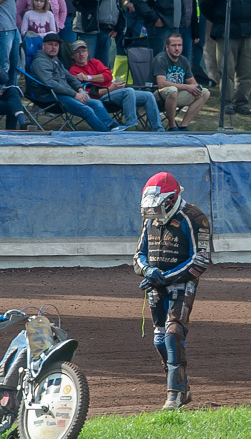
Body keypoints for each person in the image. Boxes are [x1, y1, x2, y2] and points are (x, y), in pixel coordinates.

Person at [133, 171, 210, 410]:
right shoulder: (150, 221)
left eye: (158, 208)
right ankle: (182, 385)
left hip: (181, 283)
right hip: (156, 284)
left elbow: (200, 260)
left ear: (171, 200)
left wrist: (164, 277)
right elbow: (138, 255)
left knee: (173, 334)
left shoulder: (194, 217)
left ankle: (174, 394)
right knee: (159, 340)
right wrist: (147, 271)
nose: (154, 214)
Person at [29, 32, 123, 131]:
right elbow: (50, 83)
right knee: (86, 110)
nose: (53, 47)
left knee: (96, 103)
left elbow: (70, 77)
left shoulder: (54, 59)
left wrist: (80, 89)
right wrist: (74, 94)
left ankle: (113, 127)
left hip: (63, 94)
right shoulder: (40, 62)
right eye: (50, 44)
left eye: (56, 45)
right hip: (49, 96)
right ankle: (106, 133)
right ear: (43, 46)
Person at [68, 39, 163, 131]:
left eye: (83, 51)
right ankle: (131, 125)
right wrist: (111, 89)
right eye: (78, 52)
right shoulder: (73, 71)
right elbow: (90, 93)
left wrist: (88, 77)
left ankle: (158, 128)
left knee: (148, 95)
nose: (81, 54)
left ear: (88, 52)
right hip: (101, 98)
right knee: (128, 91)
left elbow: (108, 75)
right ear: (72, 56)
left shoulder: (95, 62)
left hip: (114, 93)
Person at [200, 0, 251, 116]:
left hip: (247, 31)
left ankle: (242, 104)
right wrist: (219, 18)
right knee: (226, 70)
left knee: (246, 71)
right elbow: (205, 5)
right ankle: (226, 104)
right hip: (225, 31)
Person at [153, 34, 210, 131]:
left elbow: (192, 82)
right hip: (157, 95)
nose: (177, 48)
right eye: (173, 45)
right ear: (167, 47)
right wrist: (187, 87)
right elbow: (161, 83)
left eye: (179, 45)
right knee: (172, 90)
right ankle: (172, 126)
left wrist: (196, 87)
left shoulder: (183, 60)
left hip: (176, 94)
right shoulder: (161, 59)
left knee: (205, 93)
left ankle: (184, 125)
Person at [71, 0, 124, 68]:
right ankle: (86, 80)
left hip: (108, 31)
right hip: (89, 28)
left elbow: (118, 6)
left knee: (104, 67)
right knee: (86, 64)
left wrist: (118, 26)